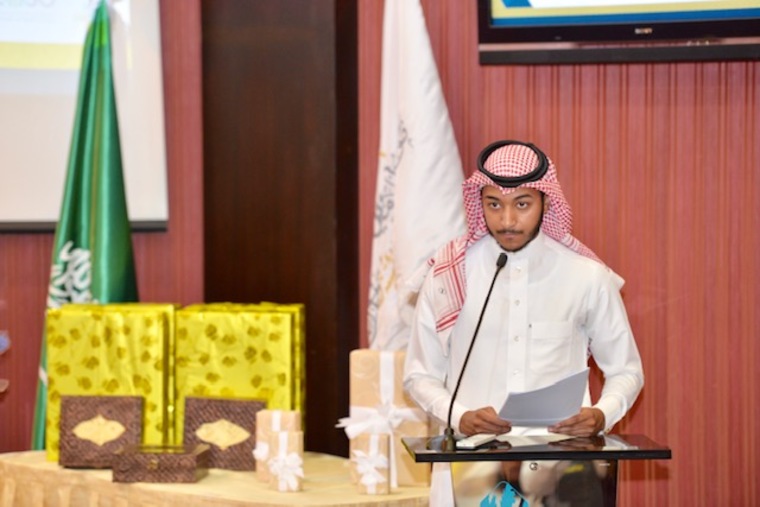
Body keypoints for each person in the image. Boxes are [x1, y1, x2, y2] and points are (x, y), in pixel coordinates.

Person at [403, 140, 644, 505]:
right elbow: (419, 376)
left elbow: (627, 371)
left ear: (545, 202)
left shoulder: (586, 277)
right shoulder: (447, 275)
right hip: (471, 472)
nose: (507, 221)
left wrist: (602, 414)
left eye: (522, 204)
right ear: (479, 203)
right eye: (493, 204)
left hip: (563, 471)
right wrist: (460, 416)